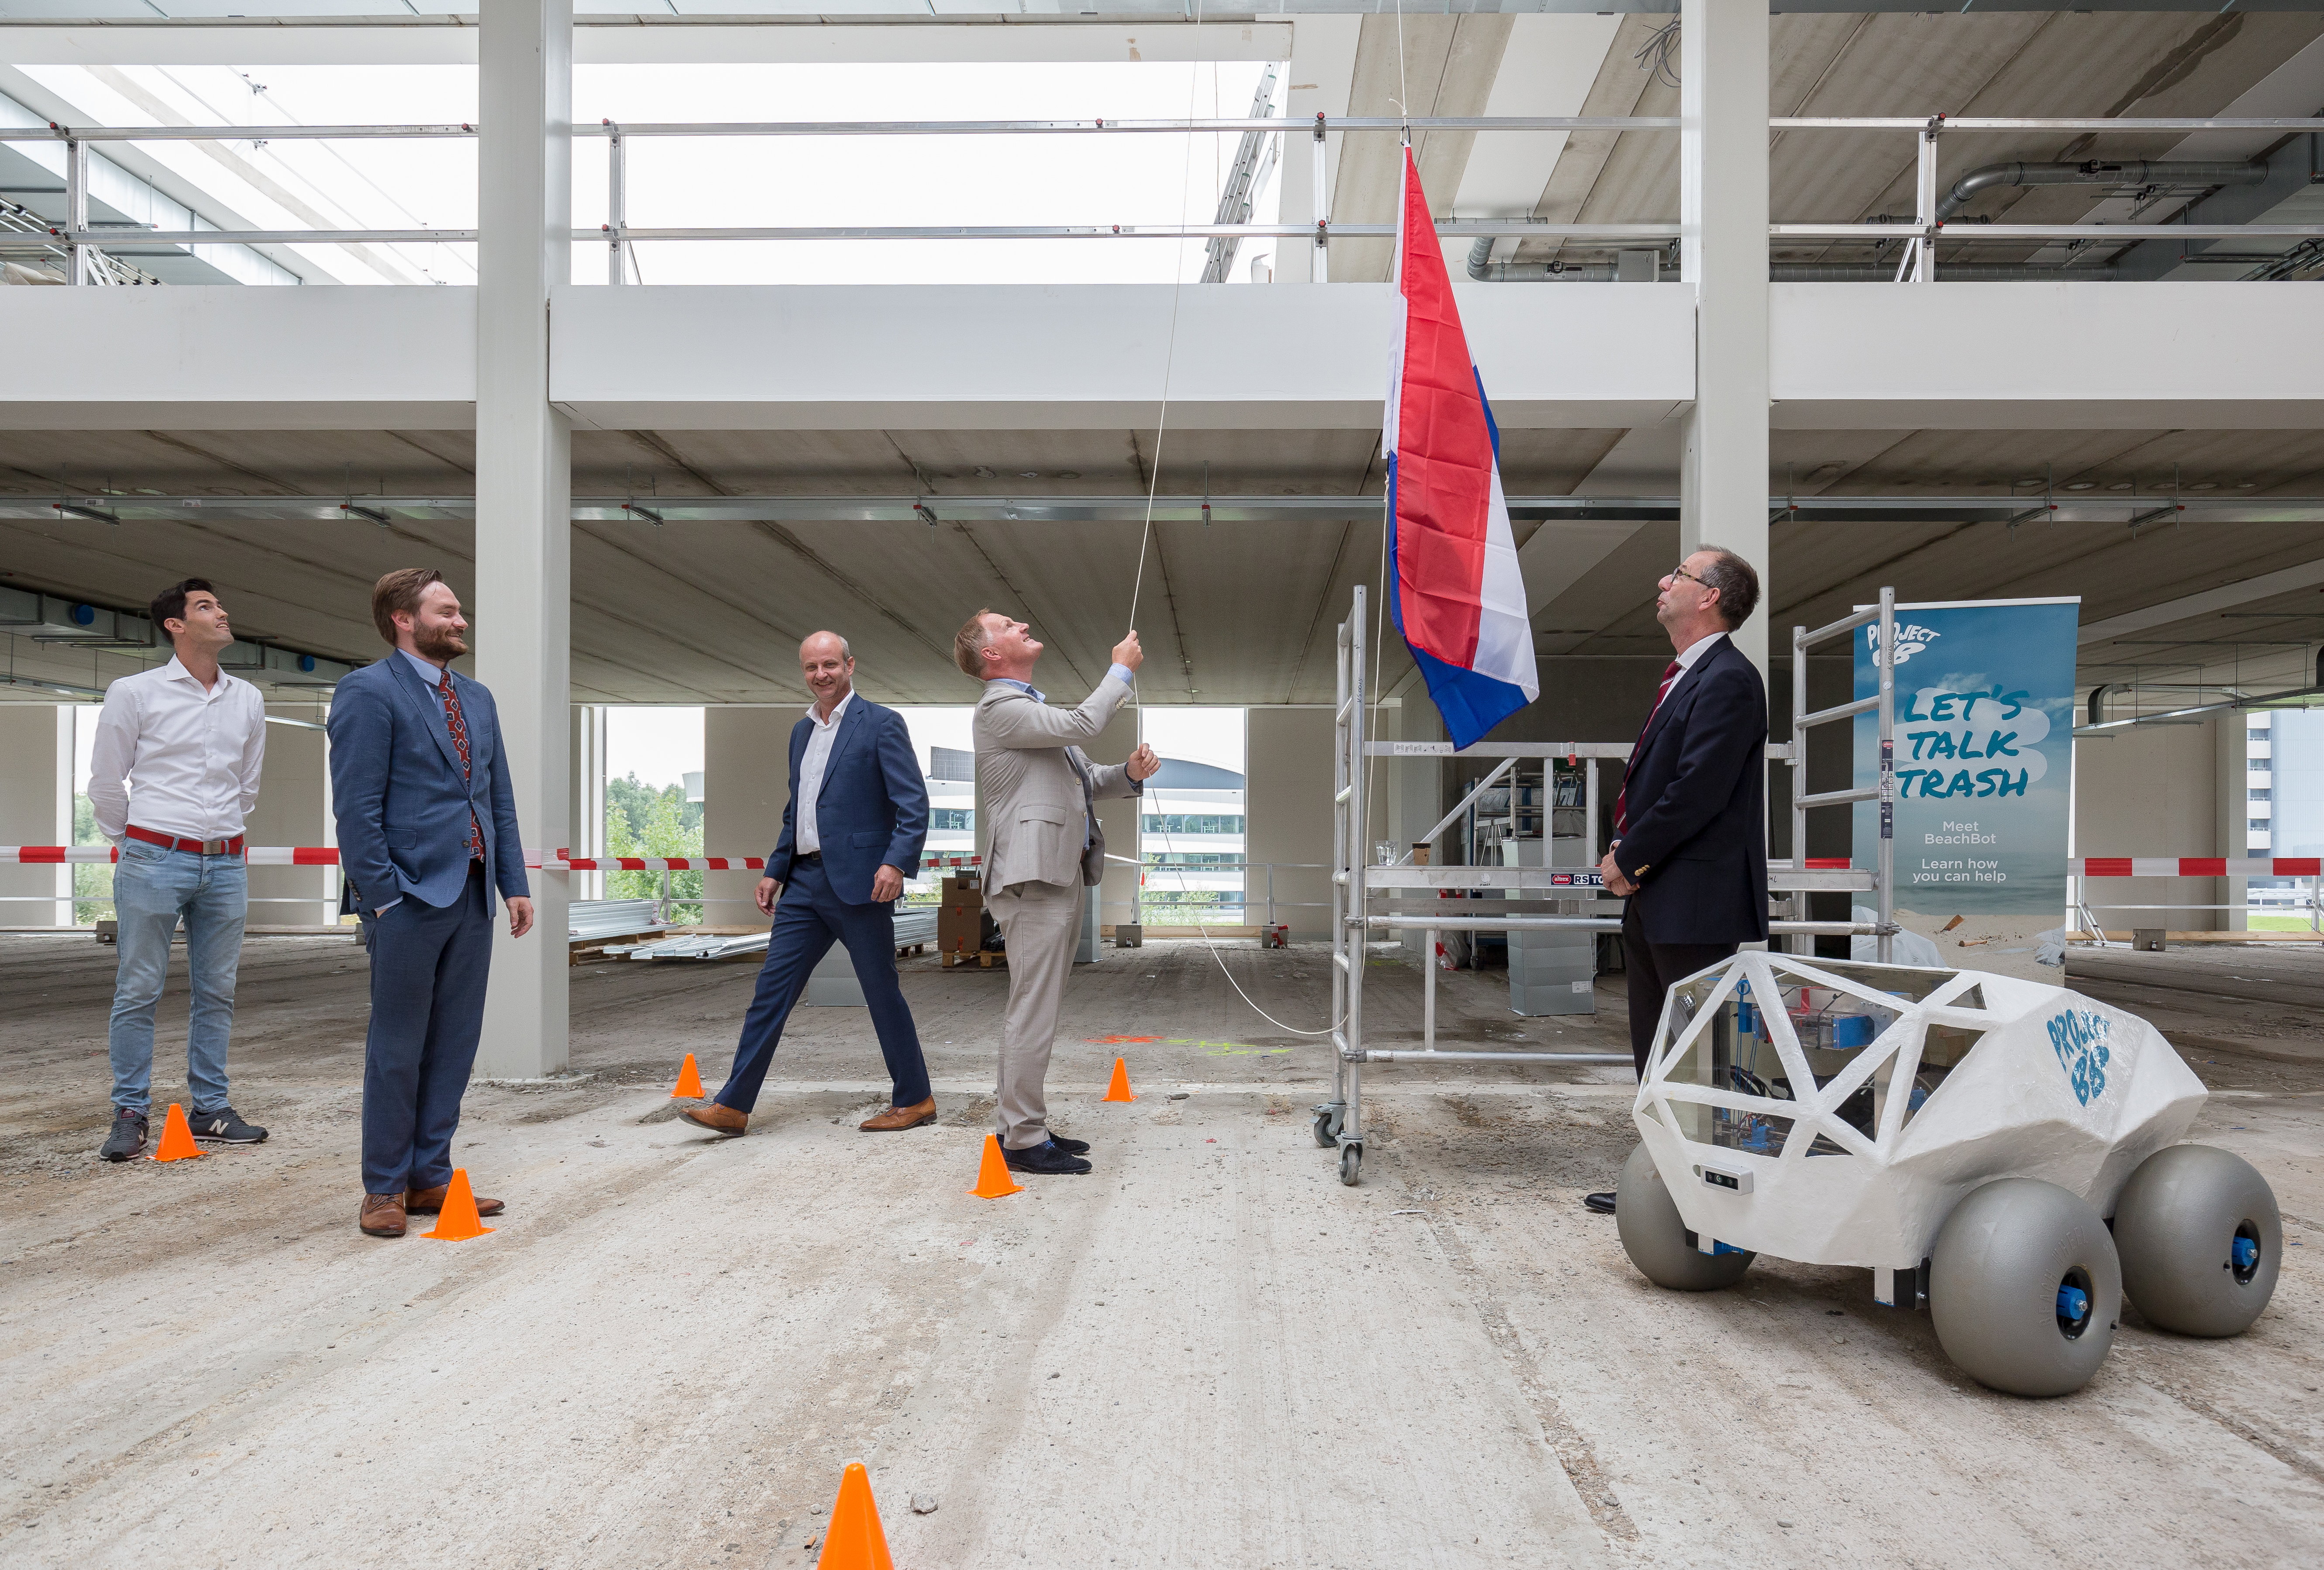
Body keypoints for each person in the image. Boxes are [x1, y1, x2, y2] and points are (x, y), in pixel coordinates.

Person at [328, 569, 534, 1239]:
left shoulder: (476, 698)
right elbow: (356, 809)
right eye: (448, 612)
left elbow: (495, 798)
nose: (462, 623)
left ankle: (430, 1178)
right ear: (403, 619)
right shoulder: (368, 692)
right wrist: (382, 899)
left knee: (453, 1043)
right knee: (397, 1047)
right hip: (409, 897)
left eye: (460, 613)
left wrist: (514, 883)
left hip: (472, 891)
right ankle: (383, 1187)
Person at [683, 632, 936, 1138]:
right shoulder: (801, 731)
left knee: (881, 991)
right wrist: (776, 868)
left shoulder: (881, 723)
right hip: (803, 883)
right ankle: (734, 1104)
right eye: (811, 667)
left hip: (862, 882)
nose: (821, 674)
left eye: (830, 664)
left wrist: (897, 863)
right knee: (770, 991)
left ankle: (915, 1098)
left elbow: (914, 804)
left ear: (850, 665)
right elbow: (797, 811)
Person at [1586, 545, 1769, 1214]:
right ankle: (1661, 1192)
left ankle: (1703, 1204)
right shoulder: (1685, 677)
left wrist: (1627, 859)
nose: (1662, 582)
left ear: (1709, 597)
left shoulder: (1727, 680)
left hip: (1695, 903)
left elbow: (1697, 793)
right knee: (1657, 1053)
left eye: (1679, 575)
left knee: (1695, 1059)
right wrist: (1627, 854)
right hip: (1662, 897)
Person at [957, 610, 1160, 1175]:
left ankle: (1020, 1127)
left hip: (1053, 873)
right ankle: (1022, 1139)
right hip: (1033, 878)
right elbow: (1084, 724)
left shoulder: (1029, 710)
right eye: (1005, 623)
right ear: (990, 655)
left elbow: (1086, 776)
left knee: (1033, 1007)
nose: (1020, 622)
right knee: (1033, 1010)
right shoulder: (1000, 708)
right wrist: (1118, 673)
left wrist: (1130, 772)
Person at [88, 578, 270, 1161]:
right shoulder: (134, 692)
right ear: (175, 624)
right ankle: (131, 1113)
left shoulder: (247, 699)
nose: (221, 612)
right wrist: (139, 842)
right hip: (152, 857)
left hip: (224, 863)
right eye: (206, 607)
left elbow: (246, 787)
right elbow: (105, 782)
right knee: (139, 988)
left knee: (216, 990)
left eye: (218, 603)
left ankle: (210, 1109)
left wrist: (213, 837)